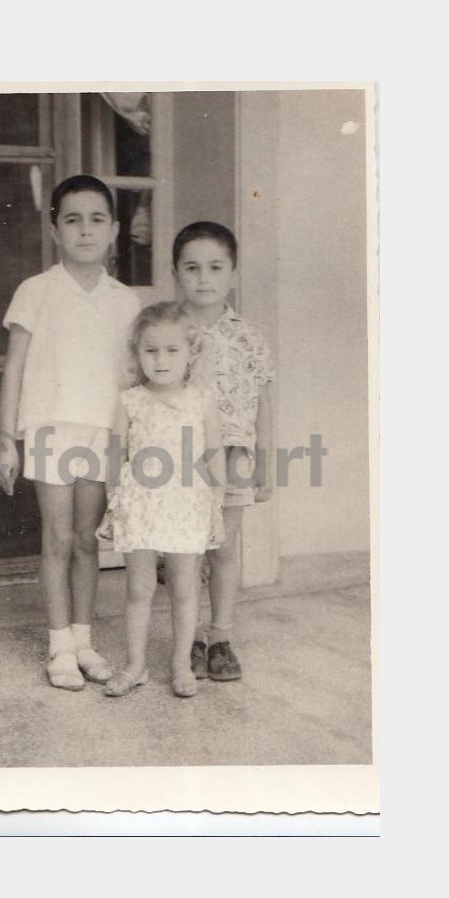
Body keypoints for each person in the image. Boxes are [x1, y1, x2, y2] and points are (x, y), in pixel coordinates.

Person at [0, 175, 141, 691]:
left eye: (97, 219)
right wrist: (6, 439)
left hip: (102, 430)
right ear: (55, 229)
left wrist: (131, 442)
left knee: (86, 541)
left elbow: (132, 377)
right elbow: (14, 367)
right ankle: (59, 647)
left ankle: (83, 641)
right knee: (56, 538)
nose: (85, 230)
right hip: (51, 428)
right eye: (73, 220)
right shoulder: (36, 291)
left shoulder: (125, 301)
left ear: (114, 229)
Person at [96, 302, 225, 698]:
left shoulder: (201, 399)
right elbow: (115, 456)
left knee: (185, 588)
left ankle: (180, 665)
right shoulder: (130, 401)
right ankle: (135, 665)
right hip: (140, 505)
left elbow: (214, 453)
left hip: (187, 503)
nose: (161, 360)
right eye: (150, 350)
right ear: (137, 353)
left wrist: (216, 506)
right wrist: (113, 505)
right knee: (139, 589)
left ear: (191, 353)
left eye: (172, 350)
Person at [172, 221, 276, 682]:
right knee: (187, 551)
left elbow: (263, 404)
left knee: (224, 547)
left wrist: (265, 462)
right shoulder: (169, 331)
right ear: (176, 272)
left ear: (232, 273)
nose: (203, 278)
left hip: (234, 457)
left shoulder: (249, 336)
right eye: (192, 267)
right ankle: (190, 639)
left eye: (215, 267)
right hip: (180, 457)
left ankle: (220, 638)